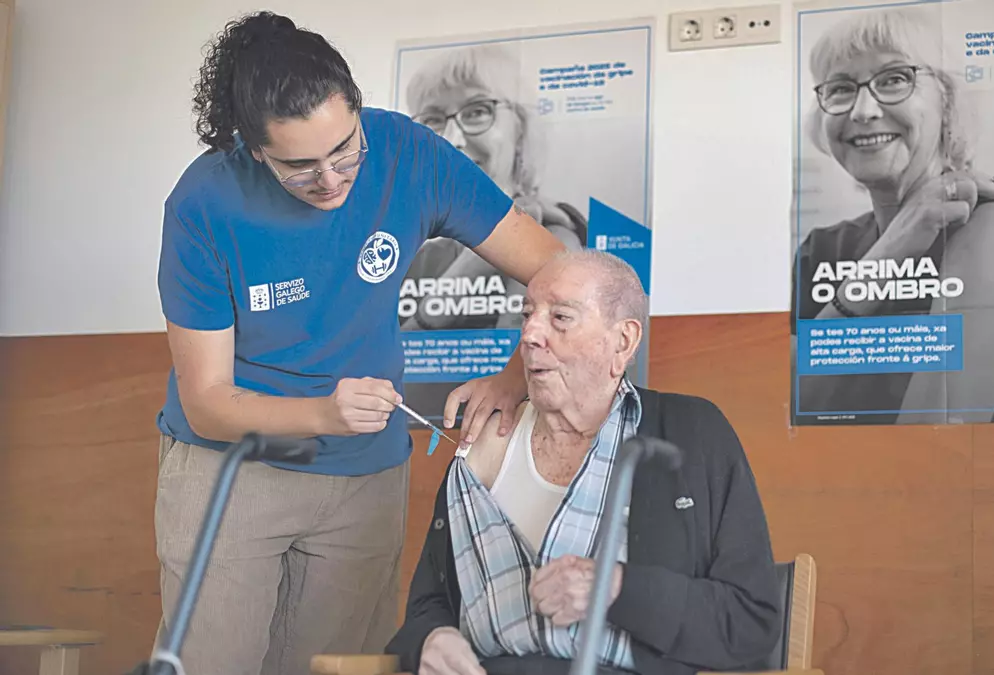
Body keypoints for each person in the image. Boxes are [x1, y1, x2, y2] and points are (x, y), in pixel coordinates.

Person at [153, 11, 566, 675]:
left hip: (363, 475)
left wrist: (515, 375)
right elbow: (206, 402)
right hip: (231, 467)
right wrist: (323, 412)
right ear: (252, 149)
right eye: (299, 166)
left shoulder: (409, 153)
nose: (331, 178)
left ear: (357, 110)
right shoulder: (204, 203)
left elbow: (557, 270)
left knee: (337, 664)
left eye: (345, 150)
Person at [385, 250, 782, 675]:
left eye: (560, 318)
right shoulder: (477, 452)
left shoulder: (690, 434)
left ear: (623, 341)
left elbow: (749, 623)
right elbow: (429, 606)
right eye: (527, 315)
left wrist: (615, 588)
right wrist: (430, 639)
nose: (530, 334)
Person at [790, 6, 994, 424]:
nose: (863, 111)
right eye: (841, 88)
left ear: (947, 102)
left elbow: (935, 434)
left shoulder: (987, 222)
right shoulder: (822, 249)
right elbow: (784, 402)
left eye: (894, 79)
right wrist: (886, 257)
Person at [400, 43, 588, 334]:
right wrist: (467, 270)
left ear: (521, 128)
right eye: (433, 120)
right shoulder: (416, 258)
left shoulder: (556, 235)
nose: (452, 140)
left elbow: (532, 350)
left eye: (477, 111)